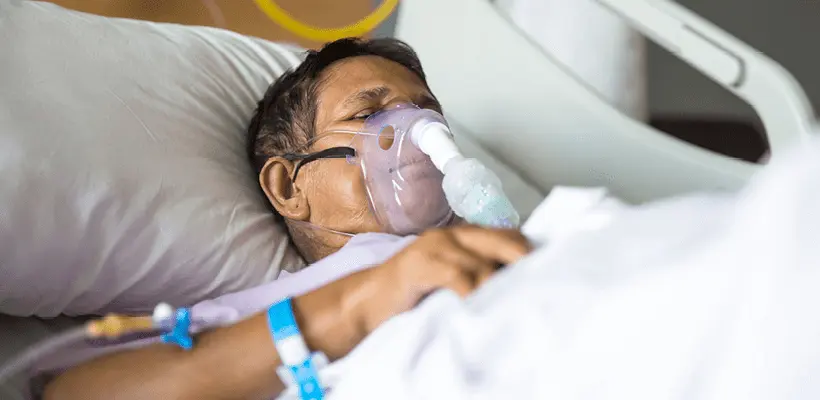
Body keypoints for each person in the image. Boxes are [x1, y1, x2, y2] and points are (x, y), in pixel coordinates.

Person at [40, 38, 531, 400]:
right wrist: (359, 303)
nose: (418, 129)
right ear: (289, 188)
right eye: (366, 114)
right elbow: (74, 393)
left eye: (426, 111)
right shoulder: (292, 302)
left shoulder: (500, 237)